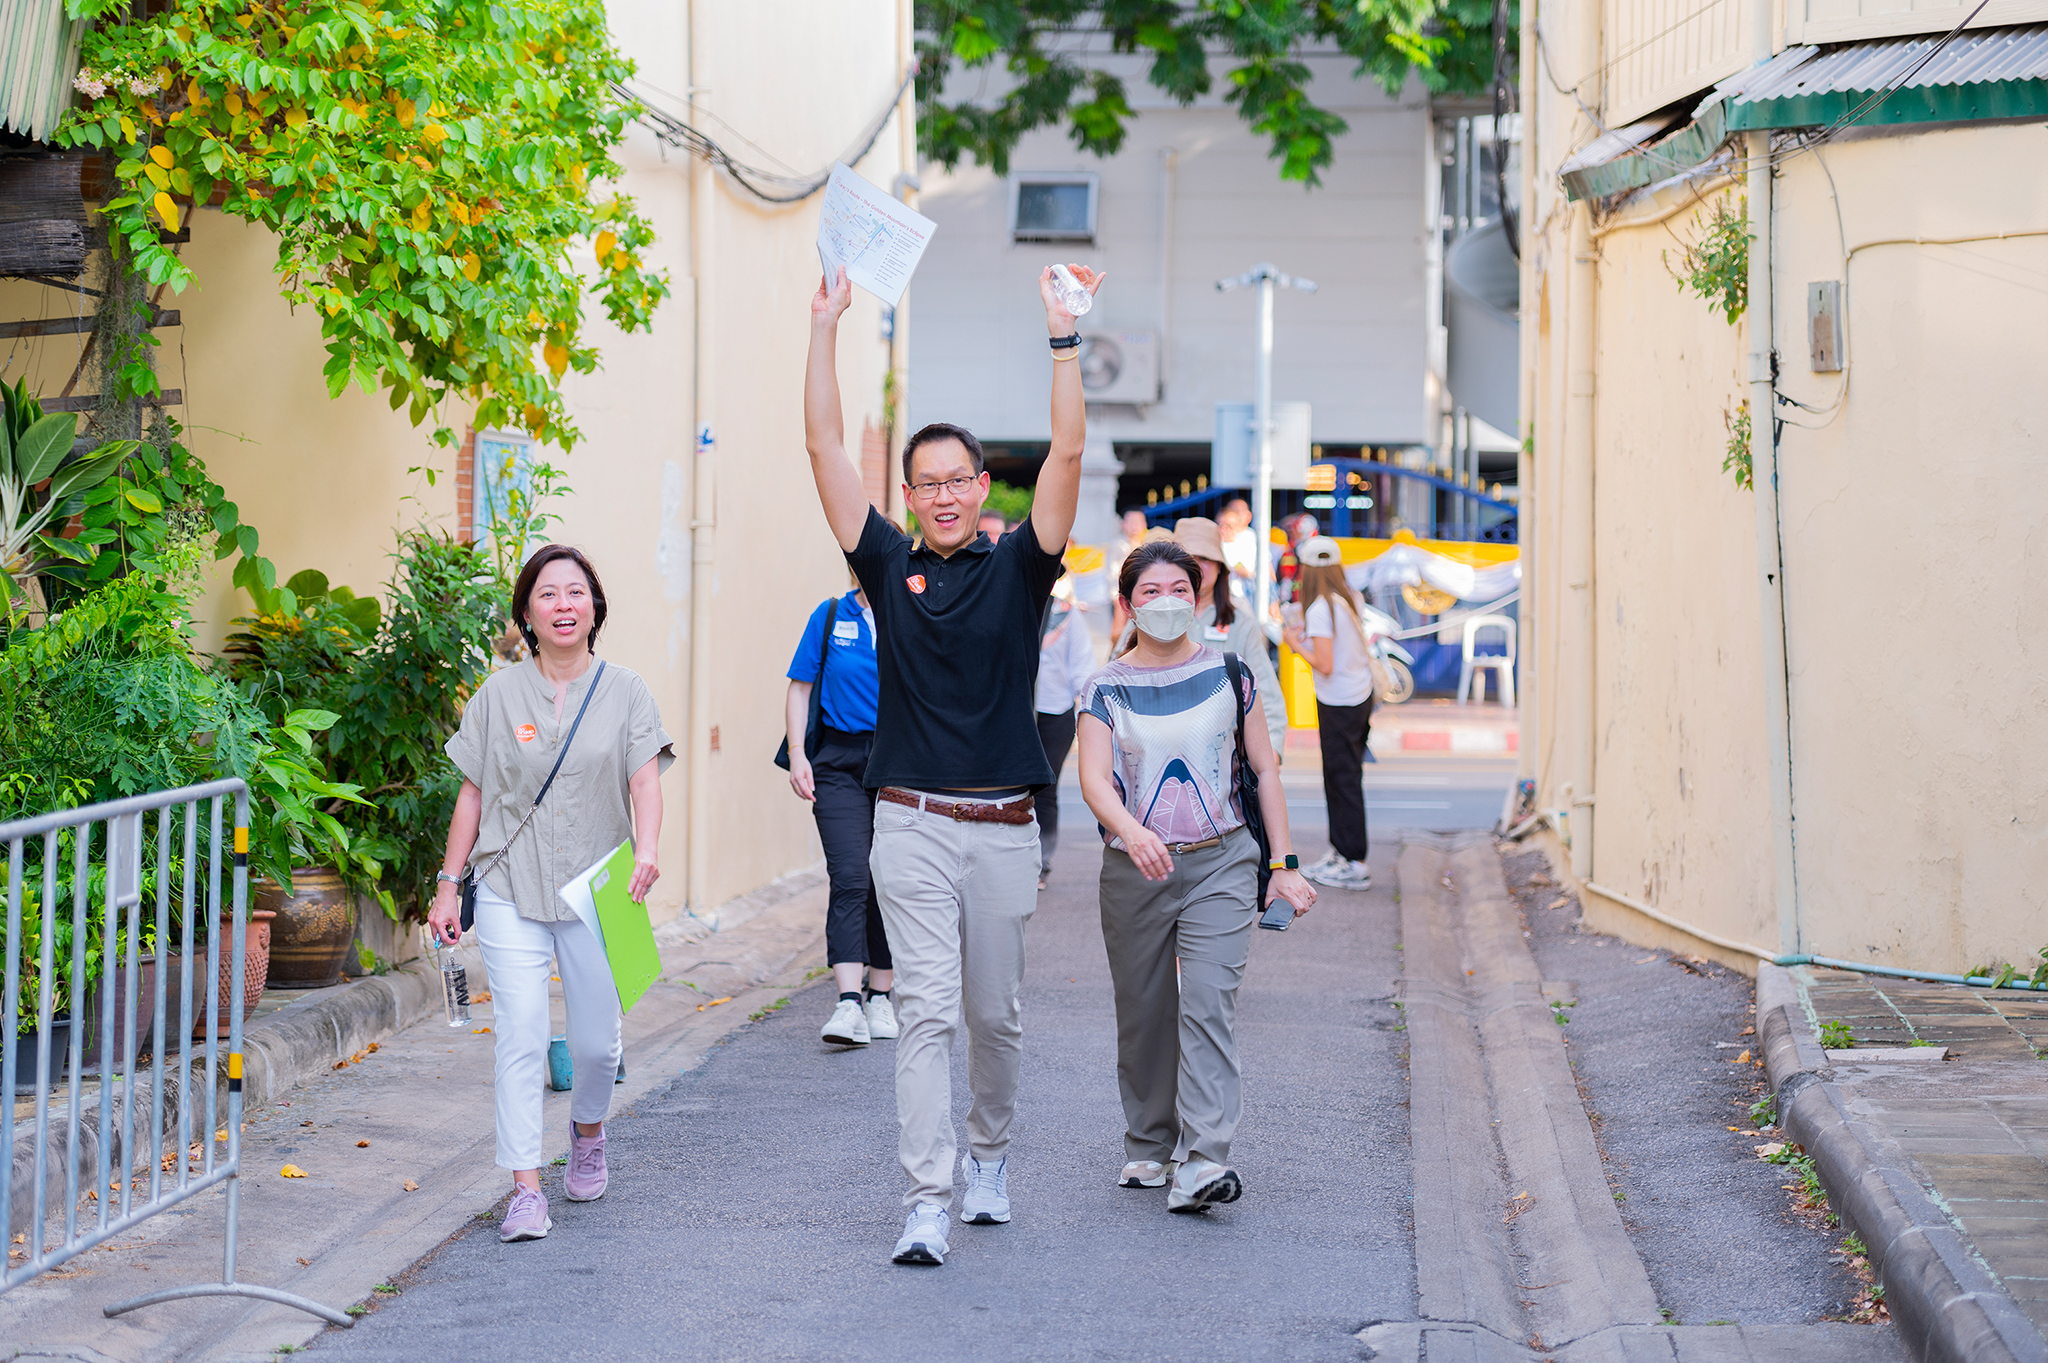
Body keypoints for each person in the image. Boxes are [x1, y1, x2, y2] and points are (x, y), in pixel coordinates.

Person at [805, 259, 1103, 1266]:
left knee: (992, 1015)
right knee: (924, 1010)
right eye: (923, 482)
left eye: (955, 480)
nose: (940, 495)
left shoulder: (1022, 562)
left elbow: (1068, 446)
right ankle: (924, 1196)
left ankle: (988, 1156)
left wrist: (1062, 333)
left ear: (982, 488)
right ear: (909, 494)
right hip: (910, 824)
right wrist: (825, 326)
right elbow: (819, 444)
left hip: (1004, 829)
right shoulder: (889, 564)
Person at [428, 545, 673, 1244]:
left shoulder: (626, 690)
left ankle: (588, 1129)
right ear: (526, 613)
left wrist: (648, 848)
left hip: (602, 886)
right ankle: (525, 1187)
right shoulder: (498, 695)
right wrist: (450, 886)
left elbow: (645, 780)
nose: (563, 605)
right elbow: (472, 792)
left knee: (596, 1047)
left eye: (576, 592)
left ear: (594, 606)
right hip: (510, 883)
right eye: (548, 594)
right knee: (521, 1033)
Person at [1077, 540, 1317, 1214]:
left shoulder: (1229, 673)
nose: (1165, 602)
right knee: (1146, 1011)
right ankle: (1151, 1143)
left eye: (1178, 588)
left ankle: (1205, 1158)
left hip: (1222, 859)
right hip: (1134, 870)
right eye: (1149, 591)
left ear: (1200, 597)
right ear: (1128, 604)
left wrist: (1283, 866)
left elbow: (1265, 770)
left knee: (1208, 1001)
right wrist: (1132, 832)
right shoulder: (1104, 686)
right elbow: (1094, 779)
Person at [784, 578, 896, 1048]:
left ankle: (881, 995)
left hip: (898, 763)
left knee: (887, 877)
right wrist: (797, 754)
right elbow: (799, 687)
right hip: (837, 762)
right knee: (850, 873)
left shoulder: (911, 613)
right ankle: (849, 1002)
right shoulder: (830, 616)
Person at [1279, 536, 1377, 890]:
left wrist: (1293, 644)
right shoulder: (1348, 599)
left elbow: (1324, 663)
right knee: (1342, 778)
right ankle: (1341, 852)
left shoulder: (1321, 607)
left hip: (1339, 700)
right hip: (1357, 696)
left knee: (1342, 781)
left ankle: (1354, 862)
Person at [1172, 517, 1287, 763]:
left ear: (1220, 566)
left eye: (1206, 559)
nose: (1198, 567)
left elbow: (1265, 691)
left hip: (1225, 762)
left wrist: (1272, 754)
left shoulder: (1240, 619)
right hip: (1162, 754)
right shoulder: (1152, 613)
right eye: (1189, 560)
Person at [1033, 583, 1098, 890]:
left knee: (1045, 788)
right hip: (1010, 711)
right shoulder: (1003, 603)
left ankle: (1041, 863)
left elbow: (1083, 668)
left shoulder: (1066, 614)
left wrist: (1089, 720)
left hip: (1054, 712)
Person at [1218, 498, 1257, 590]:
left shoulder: (1248, 539)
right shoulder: (1213, 544)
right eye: (1220, 525)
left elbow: (1246, 571)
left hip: (1244, 594)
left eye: (1229, 526)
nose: (1224, 529)